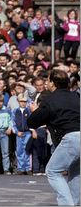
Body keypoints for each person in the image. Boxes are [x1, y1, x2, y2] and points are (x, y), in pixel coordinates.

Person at [28, 70, 80, 206]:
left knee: (52, 171)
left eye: (48, 80)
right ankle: (74, 203)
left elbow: (32, 122)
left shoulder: (49, 100)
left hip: (71, 138)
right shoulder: (76, 96)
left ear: (53, 83)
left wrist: (35, 111)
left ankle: (67, 204)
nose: (46, 83)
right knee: (76, 172)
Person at [11, 94, 33, 175]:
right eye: (21, 101)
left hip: (27, 133)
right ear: (18, 101)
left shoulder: (29, 111)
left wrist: (31, 130)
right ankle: (21, 168)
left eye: (25, 101)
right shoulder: (15, 111)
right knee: (19, 151)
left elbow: (32, 122)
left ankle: (28, 168)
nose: (23, 103)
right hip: (19, 133)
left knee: (27, 150)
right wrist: (17, 132)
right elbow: (12, 123)